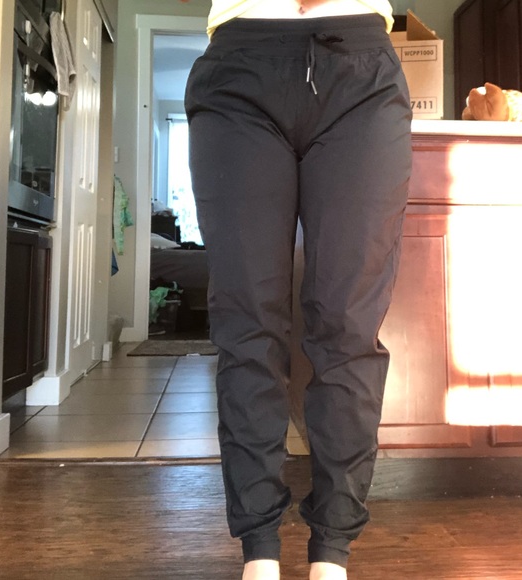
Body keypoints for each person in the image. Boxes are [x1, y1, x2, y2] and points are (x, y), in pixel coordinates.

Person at [184, 1, 412, 578]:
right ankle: (258, 552)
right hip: (239, 67)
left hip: (360, 70)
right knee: (247, 323)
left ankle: (332, 553)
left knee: (348, 325)